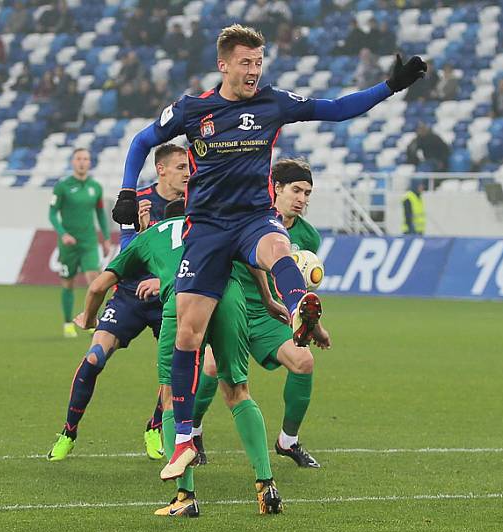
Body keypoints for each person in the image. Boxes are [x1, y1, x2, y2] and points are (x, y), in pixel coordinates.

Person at [111, 24, 426, 480]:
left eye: (259, 63)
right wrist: (127, 190)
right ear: (223, 65)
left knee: (279, 246)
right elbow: (142, 141)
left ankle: (300, 309)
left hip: (253, 218)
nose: (254, 71)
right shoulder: (192, 109)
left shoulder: (273, 103)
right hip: (206, 229)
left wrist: (390, 86)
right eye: (246, 62)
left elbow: (335, 109)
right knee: (188, 336)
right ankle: (183, 440)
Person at [75, 199, 283, 516]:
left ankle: (185, 498)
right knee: (238, 390)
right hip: (228, 295)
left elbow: (97, 287)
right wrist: (268, 299)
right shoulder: (215, 224)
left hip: (183, 298)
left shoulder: (151, 236)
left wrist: (90, 319)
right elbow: (254, 262)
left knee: (171, 395)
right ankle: (266, 487)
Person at [47, 144, 189, 462]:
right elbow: (127, 251)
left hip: (170, 297)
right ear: (162, 169)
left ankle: (154, 427)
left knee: (175, 367)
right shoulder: (136, 201)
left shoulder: (196, 204)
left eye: (189, 167)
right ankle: (68, 432)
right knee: (95, 357)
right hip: (129, 293)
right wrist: (141, 232)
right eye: (181, 167)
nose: (187, 173)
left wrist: (164, 279)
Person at [195, 159, 332, 468]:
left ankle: (288, 441)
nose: (302, 199)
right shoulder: (249, 220)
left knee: (304, 362)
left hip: (270, 316)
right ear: (276, 188)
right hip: (233, 308)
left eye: (307, 193)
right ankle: (193, 432)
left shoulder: (309, 237)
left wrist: (315, 326)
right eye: (296, 190)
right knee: (212, 367)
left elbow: (302, 291)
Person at [49, 149, 112, 338]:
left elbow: (100, 213)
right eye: (78, 159)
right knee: (68, 283)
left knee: (95, 280)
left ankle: (92, 320)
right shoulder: (62, 187)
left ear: (90, 162)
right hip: (68, 244)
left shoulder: (95, 187)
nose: (82, 162)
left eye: (86, 159)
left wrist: (106, 237)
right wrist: (63, 234)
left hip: (89, 242)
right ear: (72, 162)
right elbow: (52, 214)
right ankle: (68, 322)